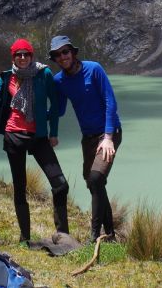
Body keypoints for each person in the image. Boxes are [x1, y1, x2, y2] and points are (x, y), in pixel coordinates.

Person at [0, 39, 69, 244]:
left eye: (26, 54)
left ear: (32, 56)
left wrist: (53, 132)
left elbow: (55, 104)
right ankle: (25, 238)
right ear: (13, 57)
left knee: (60, 184)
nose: (22, 58)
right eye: (18, 54)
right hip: (13, 135)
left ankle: (63, 234)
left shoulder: (44, 74)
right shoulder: (6, 78)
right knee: (20, 187)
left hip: (38, 135)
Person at [49, 35, 122, 242]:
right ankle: (110, 234)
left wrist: (107, 137)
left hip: (109, 133)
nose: (62, 57)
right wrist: (35, 114)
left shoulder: (94, 69)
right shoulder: (59, 81)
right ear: (54, 58)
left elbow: (110, 101)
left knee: (97, 178)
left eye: (65, 51)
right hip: (88, 138)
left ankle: (94, 235)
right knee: (94, 184)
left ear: (73, 52)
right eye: (57, 54)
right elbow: (59, 110)